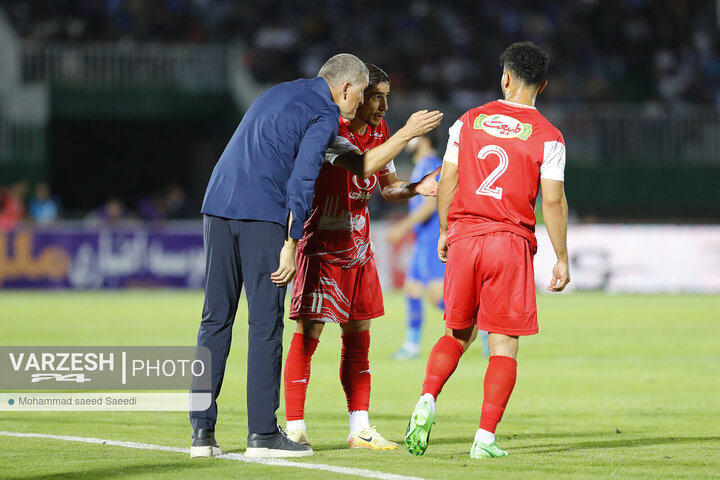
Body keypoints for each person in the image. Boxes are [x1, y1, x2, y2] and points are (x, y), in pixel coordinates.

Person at [190, 53, 369, 459]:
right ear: (344, 88)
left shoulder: (278, 92)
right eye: (359, 95)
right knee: (265, 325)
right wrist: (291, 241)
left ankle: (201, 434)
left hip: (216, 205)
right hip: (261, 215)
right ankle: (263, 435)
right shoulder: (324, 113)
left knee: (214, 320)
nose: (359, 104)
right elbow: (304, 177)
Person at [405, 41, 570, 459]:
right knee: (504, 346)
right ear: (543, 85)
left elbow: (447, 180)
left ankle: (427, 398)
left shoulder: (468, 121)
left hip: (465, 237)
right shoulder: (549, 137)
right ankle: (484, 438)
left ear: (506, 77)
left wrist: (445, 229)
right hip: (510, 243)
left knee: (456, 334)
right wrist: (562, 257)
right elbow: (552, 201)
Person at [282, 63, 443, 450]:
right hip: (321, 247)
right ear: (355, 94)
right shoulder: (328, 128)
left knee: (359, 341)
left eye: (387, 96)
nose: (384, 105)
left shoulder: (380, 132)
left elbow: (388, 188)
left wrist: (419, 187)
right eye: (377, 97)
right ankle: (293, 427)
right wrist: (408, 134)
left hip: (359, 251)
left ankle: (360, 428)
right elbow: (364, 164)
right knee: (307, 338)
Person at [386, 137, 490, 360]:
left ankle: (481, 324)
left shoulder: (433, 164)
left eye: (414, 137)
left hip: (433, 237)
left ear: (425, 139)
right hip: (422, 239)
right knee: (411, 289)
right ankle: (412, 345)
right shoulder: (420, 165)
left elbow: (431, 204)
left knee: (435, 296)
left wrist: (402, 228)